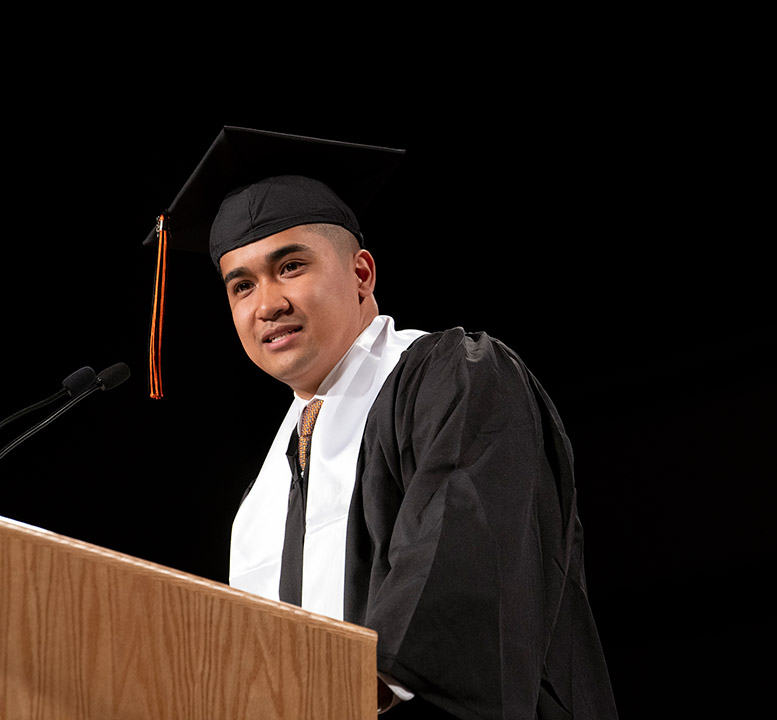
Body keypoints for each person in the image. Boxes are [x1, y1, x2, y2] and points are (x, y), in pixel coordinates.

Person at [146, 127, 618, 719]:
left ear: (362, 274)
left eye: (290, 266)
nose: (266, 304)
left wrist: (349, 691)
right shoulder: (271, 480)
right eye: (241, 286)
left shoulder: (454, 375)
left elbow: (464, 548)